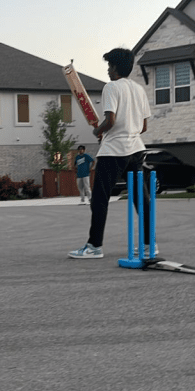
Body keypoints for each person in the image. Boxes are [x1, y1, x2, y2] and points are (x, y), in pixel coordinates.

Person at [68, 48, 153, 259]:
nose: (107, 70)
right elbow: (143, 126)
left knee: (99, 198)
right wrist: (121, 131)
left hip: (114, 150)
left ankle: (94, 246)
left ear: (115, 67)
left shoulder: (111, 87)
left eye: (109, 66)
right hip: (136, 149)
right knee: (141, 198)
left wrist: (98, 131)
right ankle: (148, 245)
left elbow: (111, 120)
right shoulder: (139, 89)